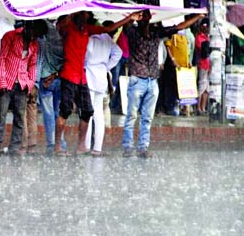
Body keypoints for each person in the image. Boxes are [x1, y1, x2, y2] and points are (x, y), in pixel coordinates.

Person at [54, 11, 140, 156]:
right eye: (83, 14)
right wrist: (75, 9)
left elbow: (108, 29)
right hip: (70, 74)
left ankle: (82, 146)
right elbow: (59, 26)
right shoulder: (69, 27)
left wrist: (127, 19)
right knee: (66, 111)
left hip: (83, 76)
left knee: (88, 111)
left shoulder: (89, 30)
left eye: (87, 15)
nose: (85, 17)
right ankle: (58, 147)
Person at [122, 10, 205, 158]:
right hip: (138, 79)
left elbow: (179, 27)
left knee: (147, 117)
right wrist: (130, 18)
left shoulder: (156, 33)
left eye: (147, 16)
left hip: (152, 80)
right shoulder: (133, 32)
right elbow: (125, 26)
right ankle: (128, 147)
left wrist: (197, 17)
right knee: (132, 116)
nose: (145, 19)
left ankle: (142, 147)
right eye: (142, 16)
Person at [0, 20, 47, 156]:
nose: (34, 37)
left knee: (19, 117)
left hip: (22, 84)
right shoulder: (10, 36)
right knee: (1, 115)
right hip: (7, 82)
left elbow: (33, 65)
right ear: (27, 27)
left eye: (37, 35)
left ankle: (14, 147)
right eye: (33, 33)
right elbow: (2, 58)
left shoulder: (34, 45)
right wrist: (2, 81)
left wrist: (30, 83)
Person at [84, 21, 122, 157]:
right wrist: (107, 66)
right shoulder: (107, 39)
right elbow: (118, 52)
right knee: (98, 112)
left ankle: (87, 145)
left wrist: (86, 64)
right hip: (101, 76)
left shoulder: (92, 38)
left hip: (89, 74)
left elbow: (87, 53)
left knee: (87, 113)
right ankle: (97, 147)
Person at [37, 18, 67, 154]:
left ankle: (52, 144)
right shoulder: (61, 40)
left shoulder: (41, 42)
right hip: (59, 79)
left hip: (45, 80)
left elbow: (39, 62)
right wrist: (55, 74)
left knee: (48, 114)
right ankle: (61, 143)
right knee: (57, 113)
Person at [195, 18, 211, 115]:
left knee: (206, 89)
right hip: (202, 64)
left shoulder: (207, 38)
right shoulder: (199, 38)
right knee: (201, 86)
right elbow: (202, 50)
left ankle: (203, 108)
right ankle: (198, 108)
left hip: (208, 65)